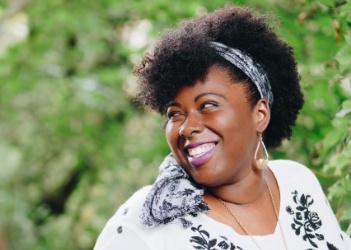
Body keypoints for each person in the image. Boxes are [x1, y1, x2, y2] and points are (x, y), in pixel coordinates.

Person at [94, 5, 351, 250]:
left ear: (260, 114)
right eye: (175, 113)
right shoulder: (145, 224)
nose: (186, 127)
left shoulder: (298, 183)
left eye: (207, 105)